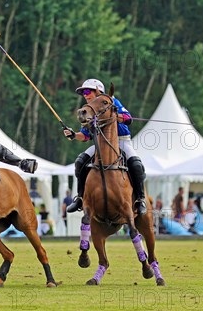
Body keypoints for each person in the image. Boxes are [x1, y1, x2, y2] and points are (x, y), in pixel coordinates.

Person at [62, 78, 148, 215]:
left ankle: (140, 199)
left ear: (98, 91)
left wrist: (113, 114)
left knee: (136, 165)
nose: (84, 94)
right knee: (79, 162)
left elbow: (128, 118)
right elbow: (85, 135)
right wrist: (73, 135)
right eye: (83, 92)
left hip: (121, 141)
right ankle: (79, 197)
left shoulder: (112, 101)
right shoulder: (88, 110)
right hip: (101, 144)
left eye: (87, 91)